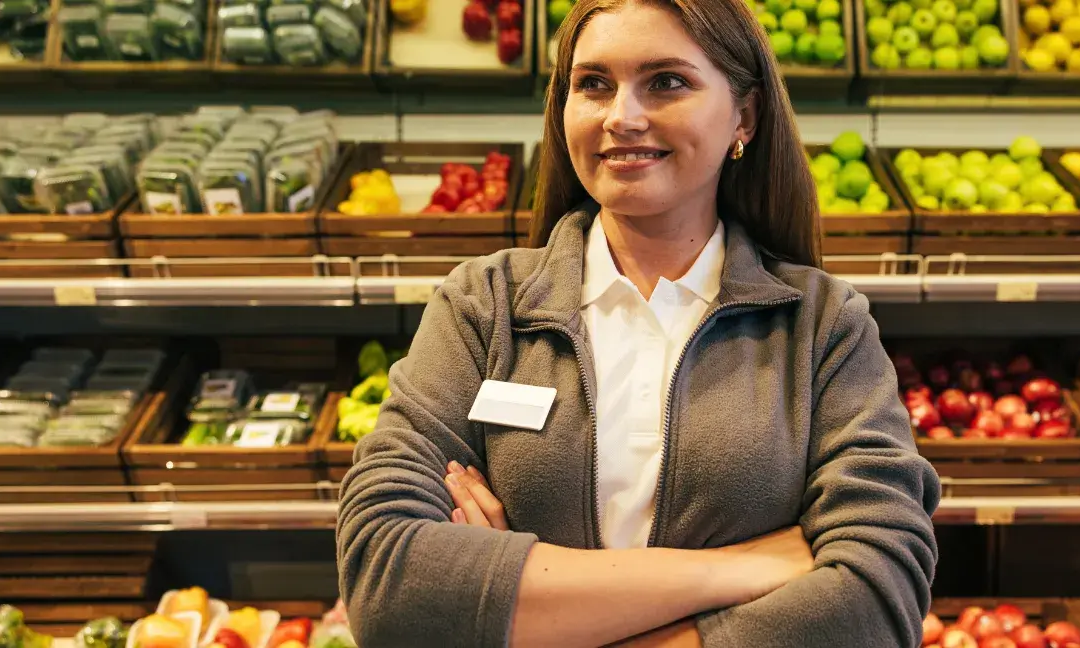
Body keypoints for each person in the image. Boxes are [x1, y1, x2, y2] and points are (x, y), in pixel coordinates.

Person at [335, 0, 941, 643]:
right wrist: (742, 569)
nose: (622, 117)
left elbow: (878, 598)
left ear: (746, 114)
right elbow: (388, 583)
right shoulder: (483, 307)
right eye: (593, 84)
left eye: (667, 82)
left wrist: (522, 610)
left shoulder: (822, 326)